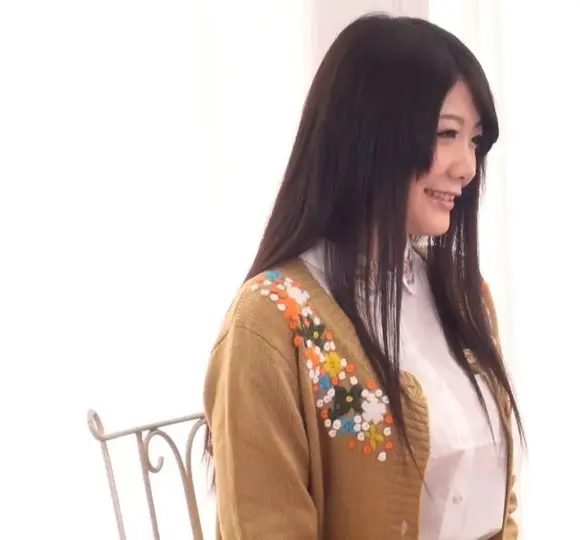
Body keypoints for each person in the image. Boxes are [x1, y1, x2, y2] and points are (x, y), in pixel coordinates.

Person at [202, 12, 524, 540]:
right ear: (368, 137)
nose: (467, 167)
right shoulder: (271, 321)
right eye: (447, 134)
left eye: (475, 140)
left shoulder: (466, 298)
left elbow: (500, 508)